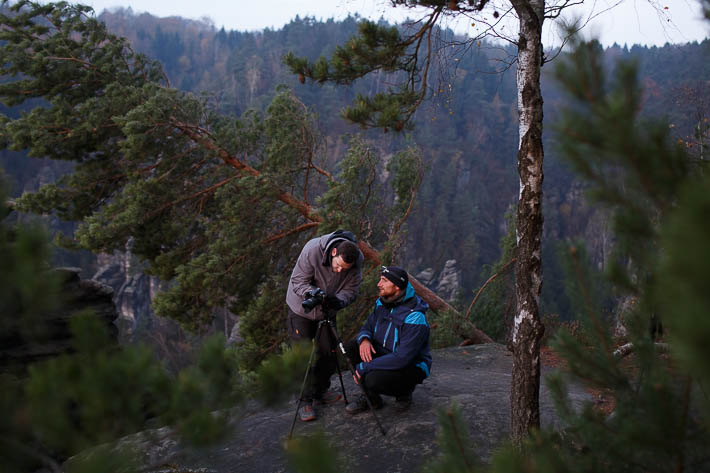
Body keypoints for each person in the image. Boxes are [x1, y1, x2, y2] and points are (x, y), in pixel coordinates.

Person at [286, 230, 363, 422]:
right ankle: (304, 400)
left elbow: (351, 289)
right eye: (338, 266)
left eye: (344, 269)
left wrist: (339, 300)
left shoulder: (356, 260)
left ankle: (320, 391)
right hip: (300, 309)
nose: (339, 271)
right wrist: (314, 293)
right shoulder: (313, 250)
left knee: (328, 352)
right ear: (334, 252)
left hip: (327, 310)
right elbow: (298, 281)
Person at [344, 265, 431, 414]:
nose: (379, 284)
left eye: (384, 280)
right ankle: (372, 399)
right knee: (351, 348)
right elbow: (367, 327)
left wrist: (366, 366)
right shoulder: (382, 303)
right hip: (386, 353)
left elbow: (402, 358)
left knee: (372, 379)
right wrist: (364, 340)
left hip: (410, 365)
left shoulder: (415, 317)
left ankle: (404, 393)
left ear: (396, 287)